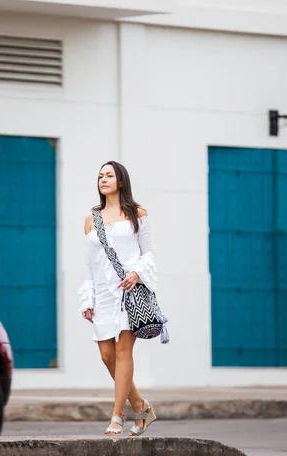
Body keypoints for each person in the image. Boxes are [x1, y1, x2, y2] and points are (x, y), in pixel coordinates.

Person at [78, 160, 159, 436]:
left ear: (121, 181)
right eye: (100, 175)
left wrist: (137, 273)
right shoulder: (92, 218)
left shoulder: (137, 213)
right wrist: (87, 298)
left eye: (109, 175)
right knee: (106, 355)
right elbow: (88, 263)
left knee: (124, 352)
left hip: (129, 292)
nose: (103, 179)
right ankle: (141, 406)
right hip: (102, 293)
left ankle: (118, 416)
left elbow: (148, 253)